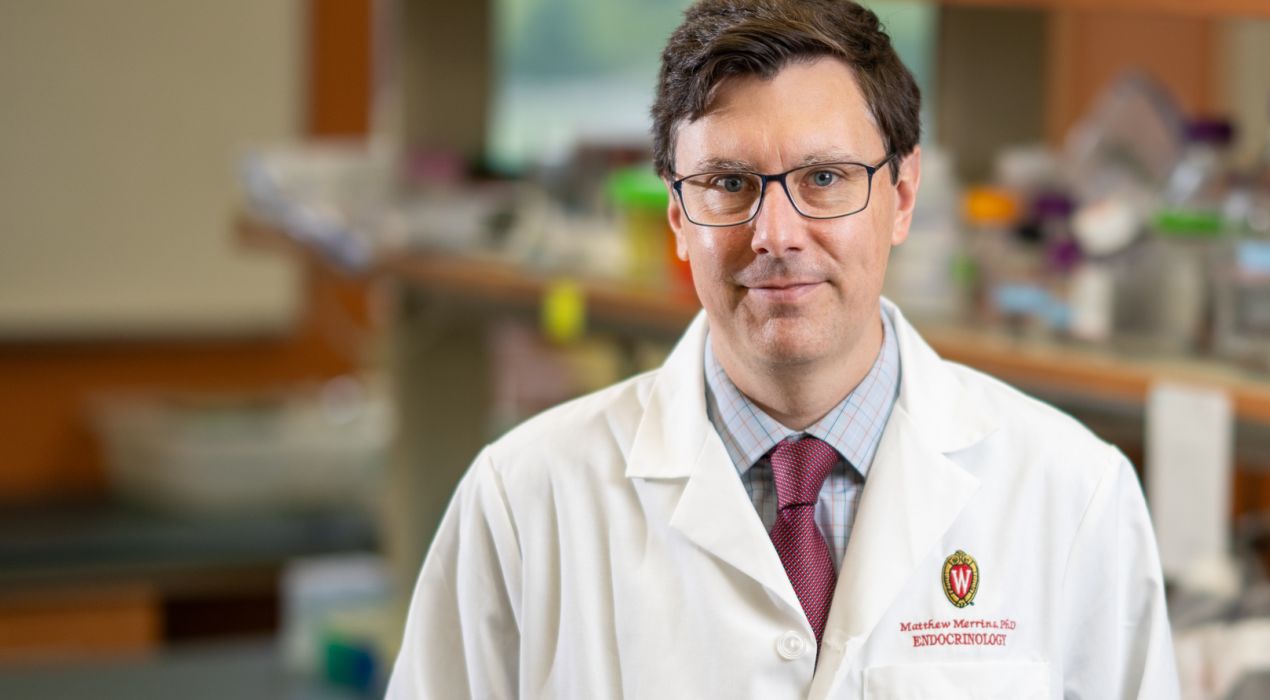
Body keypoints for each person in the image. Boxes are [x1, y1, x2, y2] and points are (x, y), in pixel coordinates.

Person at [386, 0, 1177, 697]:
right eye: (728, 184)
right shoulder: (525, 502)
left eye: (825, 178)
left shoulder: (1073, 495)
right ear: (675, 214)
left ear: (900, 198)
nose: (776, 235)